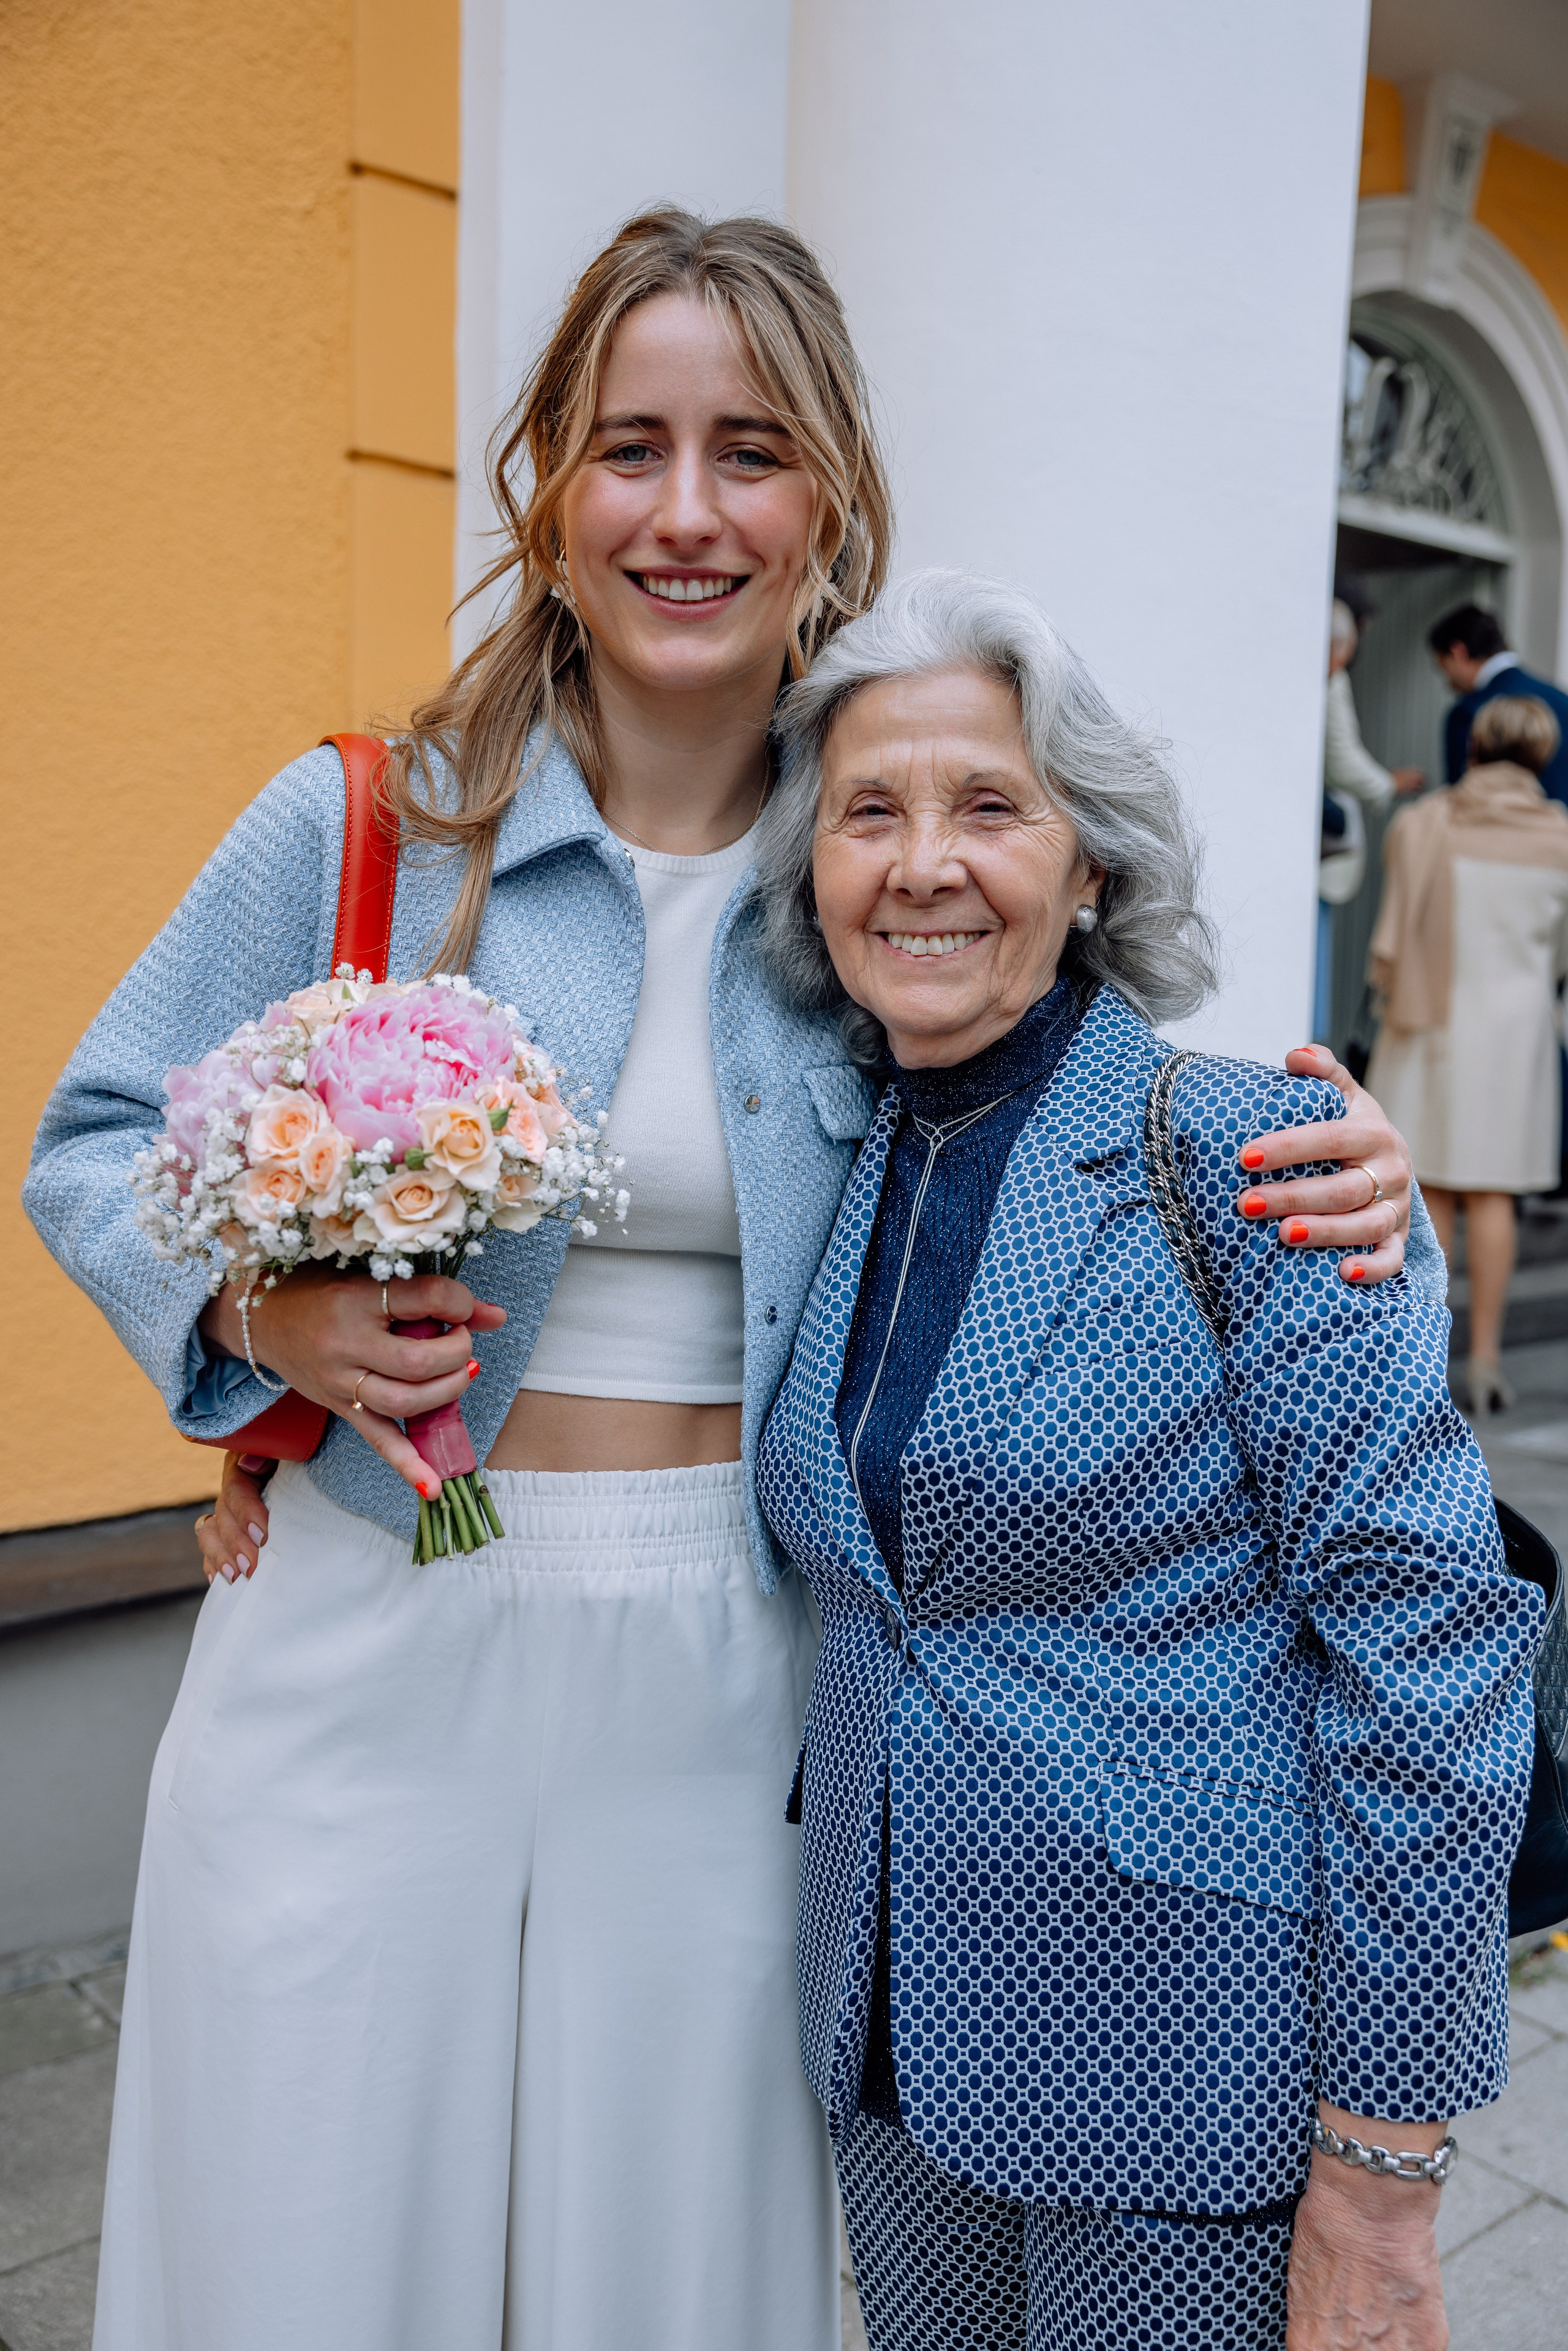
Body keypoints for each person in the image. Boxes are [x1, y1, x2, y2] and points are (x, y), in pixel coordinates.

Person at [24, 217, 1426, 2351]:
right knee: (307, 2242)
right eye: (631, 448)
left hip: (731, 1674)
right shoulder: (373, 831)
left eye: (751, 450)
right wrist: (251, 1325)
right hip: (359, 1617)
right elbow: (97, 1140)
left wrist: (1349, 1184)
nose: (688, 512)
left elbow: (1094, 1113)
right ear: (549, 494)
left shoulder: (882, 866)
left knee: (649, 2274)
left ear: (832, 497)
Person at [752, 570, 1536, 2351]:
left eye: (988, 806)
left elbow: (1425, 1662)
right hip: (887, 2025)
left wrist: (1383, 2167)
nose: (921, 862)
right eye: (868, 811)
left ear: (1089, 861)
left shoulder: (1254, 1162)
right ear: (813, 867)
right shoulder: (836, 1154)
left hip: (1187, 2060)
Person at [1366, 695, 1568, 1416]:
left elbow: (1394, 915)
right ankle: (1483, 1362)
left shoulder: (1426, 824)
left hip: (1430, 1023)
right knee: (1493, 1195)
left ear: (1475, 746)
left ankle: (1418, 1360)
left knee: (1427, 1195)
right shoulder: (1562, 838)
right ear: (1542, 758)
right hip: (1515, 1035)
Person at [1315, 598, 1423, 1041]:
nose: (1342, 665)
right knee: (1312, 954)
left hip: (1317, 845)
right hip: (1316, 845)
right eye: (1342, 655)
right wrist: (1388, 785)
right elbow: (1342, 759)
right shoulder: (1329, 679)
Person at [1431, 602, 1568, 808]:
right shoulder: (1562, 700)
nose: (1448, 682)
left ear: (1458, 652)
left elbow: (1461, 802)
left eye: (1443, 667)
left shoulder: (1469, 712)